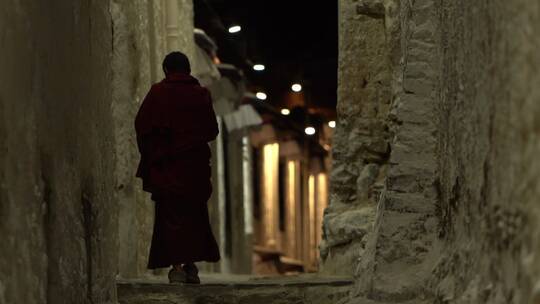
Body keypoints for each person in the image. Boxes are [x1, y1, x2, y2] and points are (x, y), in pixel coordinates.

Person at [135, 51, 220, 284]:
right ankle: (191, 266)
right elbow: (212, 130)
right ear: (188, 70)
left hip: (169, 169)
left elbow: (142, 127)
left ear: (166, 70)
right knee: (195, 217)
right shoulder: (201, 94)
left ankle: (177, 268)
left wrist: (155, 154)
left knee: (171, 218)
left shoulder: (158, 93)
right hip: (195, 170)